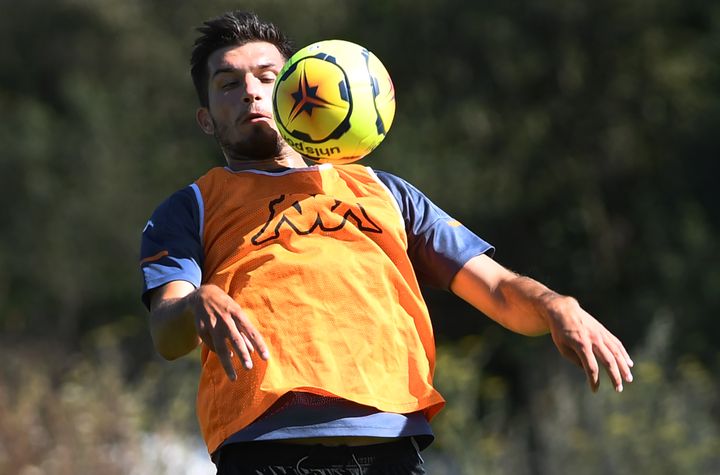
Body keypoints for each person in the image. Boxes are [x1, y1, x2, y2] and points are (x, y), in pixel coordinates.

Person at [139, 10, 634, 475]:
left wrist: (555, 306)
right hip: (265, 445)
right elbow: (168, 334)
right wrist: (195, 302)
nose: (251, 91)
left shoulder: (384, 191)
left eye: (268, 77)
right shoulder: (191, 206)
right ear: (205, 118)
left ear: (296, 89)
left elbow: (498, 290)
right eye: (229, 83)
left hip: (392, 442)